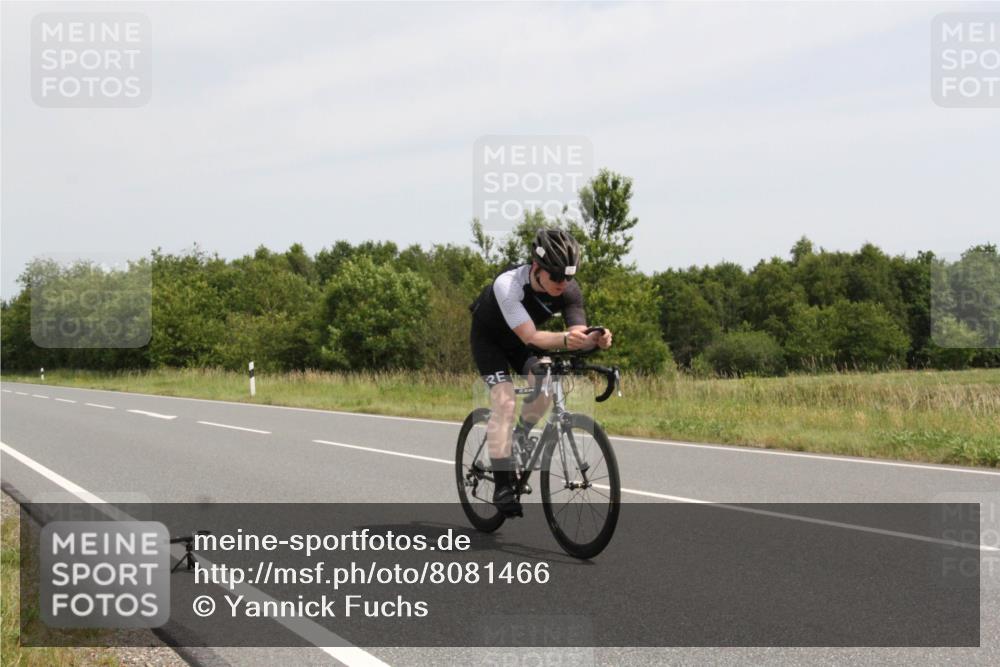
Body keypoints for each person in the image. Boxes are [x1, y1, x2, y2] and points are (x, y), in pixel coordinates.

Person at [468, 228, 613, 516]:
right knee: (505, 401)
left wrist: (595, 339)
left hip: (524, 341)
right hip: (491, 340)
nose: (563, 283)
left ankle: (519, 438)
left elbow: (576, 335)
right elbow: (531, 337)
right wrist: (566, 339)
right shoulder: (508, 285)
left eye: (568, 276)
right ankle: (502, 486)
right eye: (556, 276)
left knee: (547, 381)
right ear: (537, 268)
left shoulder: (569, 290)